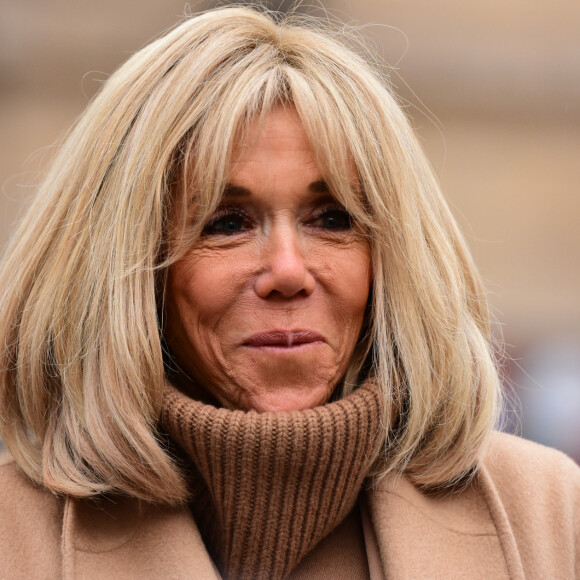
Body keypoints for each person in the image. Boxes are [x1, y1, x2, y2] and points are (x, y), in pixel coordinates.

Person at [0, 6, 578, 579]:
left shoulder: (549, 515)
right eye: (225, 222)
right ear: (127, 270)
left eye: (332, 218)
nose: (288, 271)